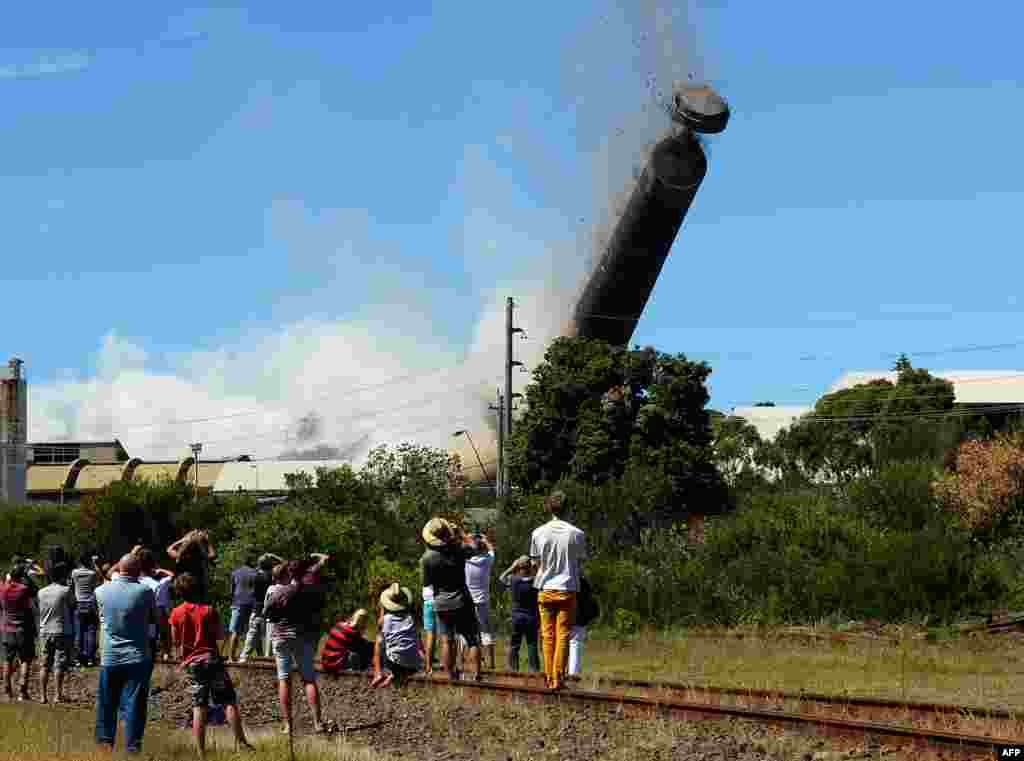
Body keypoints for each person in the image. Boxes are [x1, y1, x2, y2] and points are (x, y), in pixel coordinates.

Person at [169, 572, 254, 758]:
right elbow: (221, 636)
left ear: (179, 592)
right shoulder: (209, 610)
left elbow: (175, 641)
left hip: (192, 664)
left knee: (199, 705)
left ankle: (201, 751)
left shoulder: (176, 613)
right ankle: (242, 743)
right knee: (228, 702)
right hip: (212, 660)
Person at [94, 554, 157, 754]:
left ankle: (105, 743)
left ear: (119, 569)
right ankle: (132, 746)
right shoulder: (145, 591)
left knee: (107, 702)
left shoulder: (100, 591)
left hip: (110, 656)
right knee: (135, 705)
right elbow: (154, 619)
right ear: (139, 571)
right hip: (138, 655)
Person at [529, 490, 588, 691]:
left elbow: (535, 562)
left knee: (547, 635)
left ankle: (548, 675)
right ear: (568, 508)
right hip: (567, 589)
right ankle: (558, 677)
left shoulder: (537, 533)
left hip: (545, 589)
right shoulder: (577, 534)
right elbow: (580, 562)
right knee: (563, 634)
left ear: (549, 509)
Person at [262, 559, 326, 735]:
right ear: (304, 572)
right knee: (308, 680)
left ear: (290, 573)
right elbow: (318, 613)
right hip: (302, 636)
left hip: (281, 637)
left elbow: (266, 613)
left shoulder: (281, 591)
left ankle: (288, 725)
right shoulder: (311, 591)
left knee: (284, 679)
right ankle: (317, 723)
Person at [420, 517, 481, 681]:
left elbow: (427, 584)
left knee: (447, 640)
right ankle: (476, 674)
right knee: (471, 639)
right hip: (462, 599)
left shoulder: (427, 558)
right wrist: (461, 533)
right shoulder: (458, 549)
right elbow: (475, 548)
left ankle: (450, 675)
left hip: (441, 603)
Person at [37, 562, 75, 703]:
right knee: (59, 664)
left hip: (45, 630)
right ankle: (57, 695)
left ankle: (43, 696)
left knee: (44, 664)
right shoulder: (65, 591)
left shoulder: (41, 592)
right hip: (61, 630)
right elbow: (73, 605)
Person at [370, 584, 422, 688]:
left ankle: (377, 673)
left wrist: (383, 610)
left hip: (394, 664)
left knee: (379, 639)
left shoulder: (385, 620)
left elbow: (380, 628)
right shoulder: (411, 618)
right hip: (414, 666)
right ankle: (397, 676)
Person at [1, 562, 39, 701]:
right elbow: (35, 589)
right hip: (23, 629)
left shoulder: (2, 589)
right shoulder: (24, 589)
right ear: (21, 576)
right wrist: (27, 575)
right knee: (25, 660)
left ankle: (7, 691)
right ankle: (22, 692)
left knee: (7, 661)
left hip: (6, 629)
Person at [499, 556, 540, 673]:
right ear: (530, 567)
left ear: (518, 567)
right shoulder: (536, 581)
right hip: (532, 618)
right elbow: (542, 577)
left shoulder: (513, 580)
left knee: (514, 645)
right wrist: (536, 568)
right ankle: (534, 670)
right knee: (532, 645)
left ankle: (514, 670)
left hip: (517, 617)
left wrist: (512, 567)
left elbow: (501, 577)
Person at [238, 553, 280, 663]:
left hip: (257, 608)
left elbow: (258, 569)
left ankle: (244, 657)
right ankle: (271, 658)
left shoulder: (255, 576)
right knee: (271, 635)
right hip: (270, 609)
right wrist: (273, 556)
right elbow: (284, 564)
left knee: (252, 634)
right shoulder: (272, 577)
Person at [464, 530, 497, 671]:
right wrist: (484, 539)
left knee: (468, 632)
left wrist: (468, 538)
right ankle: (491, 662)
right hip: (483, 600)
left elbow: (462, 546)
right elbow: (491, 549)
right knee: (486, 631)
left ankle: (464, 660)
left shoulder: (465, 561)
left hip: (468, 600)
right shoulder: (487, 560)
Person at [71, 552, 104, 667]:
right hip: (90, 604)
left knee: (79, 631)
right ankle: (90, 658)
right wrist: (95, 563)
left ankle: (78, 658)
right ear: (89, 561)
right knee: (91, 631)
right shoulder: (92, 573)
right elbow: (101, 577)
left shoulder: (74, 573)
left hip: (78, 604)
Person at [227, 555, 259, 662]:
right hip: (252, 604)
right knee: (253, 631)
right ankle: (260, 656)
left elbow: (231, 591)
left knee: (235, 631)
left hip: (238, 603)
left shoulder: (235, 573)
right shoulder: (256, 573)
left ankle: (231, 657)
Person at [167, 530, 216, 601]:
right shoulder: (199, 557)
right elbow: (212, 555)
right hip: (199, 587)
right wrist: (207, 541)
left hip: (184, 586)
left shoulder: (179, 556)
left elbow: (169, 549)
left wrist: (183, 539)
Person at [320, 609, 373, 674]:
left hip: (325, 662)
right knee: (361, 651)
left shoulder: (339, 625)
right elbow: (358, 647)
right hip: (334, 665)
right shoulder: (353, 633)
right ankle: (361, 670)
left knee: (361, 646)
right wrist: (361, 632)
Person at [568, 576, 599, 676]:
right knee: (575, 644)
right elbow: (590, 601)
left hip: (565, 617)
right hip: (580, 620)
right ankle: (573, 672)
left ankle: (563, 671)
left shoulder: (564, 581)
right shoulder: (583, 582)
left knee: (564, 644)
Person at [421, 584, 436, 674]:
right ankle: (449, 669)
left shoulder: (427, 571)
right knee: (445, 637)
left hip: (427, 603)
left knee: (430, 636)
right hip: (440, 601)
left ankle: (428, 667)